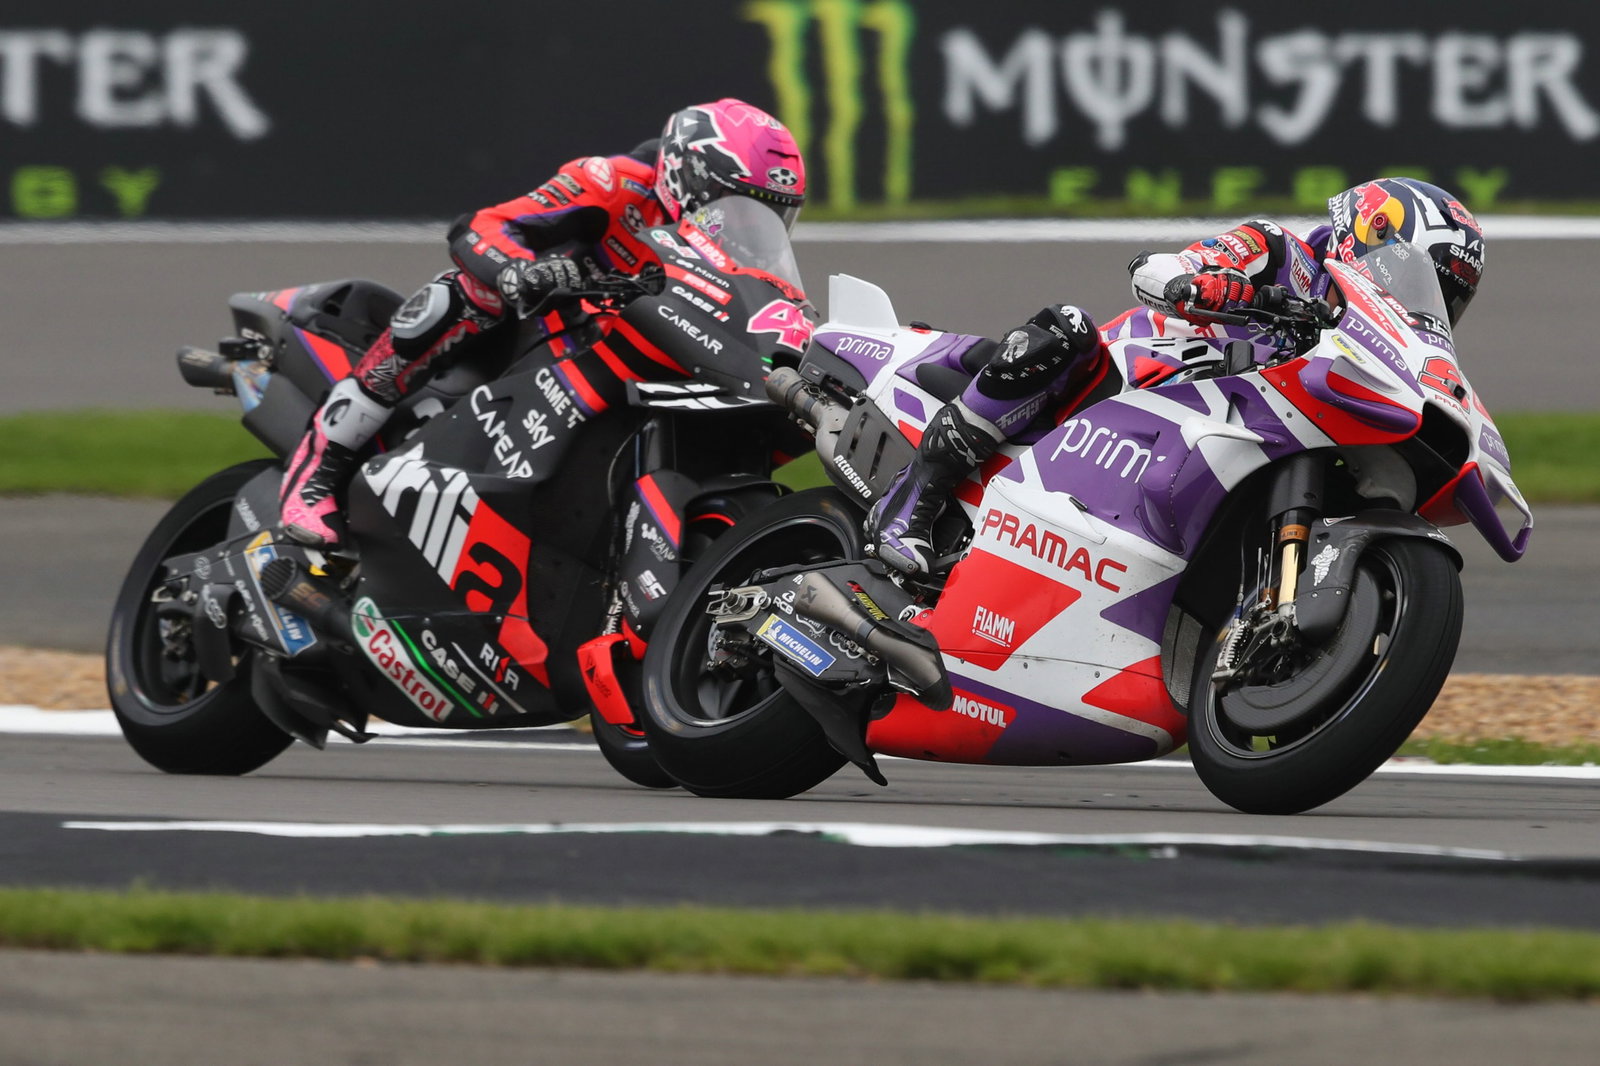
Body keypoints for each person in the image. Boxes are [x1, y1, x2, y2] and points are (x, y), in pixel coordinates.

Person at [867, 177, 1487, 577]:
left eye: (1445, 296)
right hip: (1119, 387)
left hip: (1206, 441)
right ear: (1373, 235)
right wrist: (1206, 283)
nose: (1427, 299)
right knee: (1067, 327)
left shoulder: (1369, 342)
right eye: (1421, 274)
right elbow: (1164, 271)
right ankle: (915, 495)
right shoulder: (1280, 251)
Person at [279, 98, 807, 548]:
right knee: (463, 294)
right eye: (737, 208)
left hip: (638, 360)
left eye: (773, 215)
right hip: (546, 331)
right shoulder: (613, 183)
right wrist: (519, 271)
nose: (749, 227)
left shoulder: (741, 253)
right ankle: (320, 464)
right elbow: (482, 228)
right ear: (685, 179)